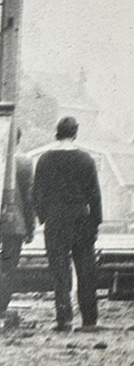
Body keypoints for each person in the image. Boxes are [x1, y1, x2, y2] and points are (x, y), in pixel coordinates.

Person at [32, 116, 102, 333]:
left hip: (56, 220)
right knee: (85, 270)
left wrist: (44, 216)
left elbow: (37, 193)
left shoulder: (44, 159)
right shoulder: (86, 160)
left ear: (57, 133)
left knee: (60, 271)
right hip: (81, 219)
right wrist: (95, 223)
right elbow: (95, 195)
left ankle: (64, 319)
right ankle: (89, 320)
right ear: (75, 133)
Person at [0, 128, 35, 328]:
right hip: (14, 224)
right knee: (8, 267)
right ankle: (1, 307)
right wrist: (30, 227)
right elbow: (28, 198)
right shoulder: (23, 162)